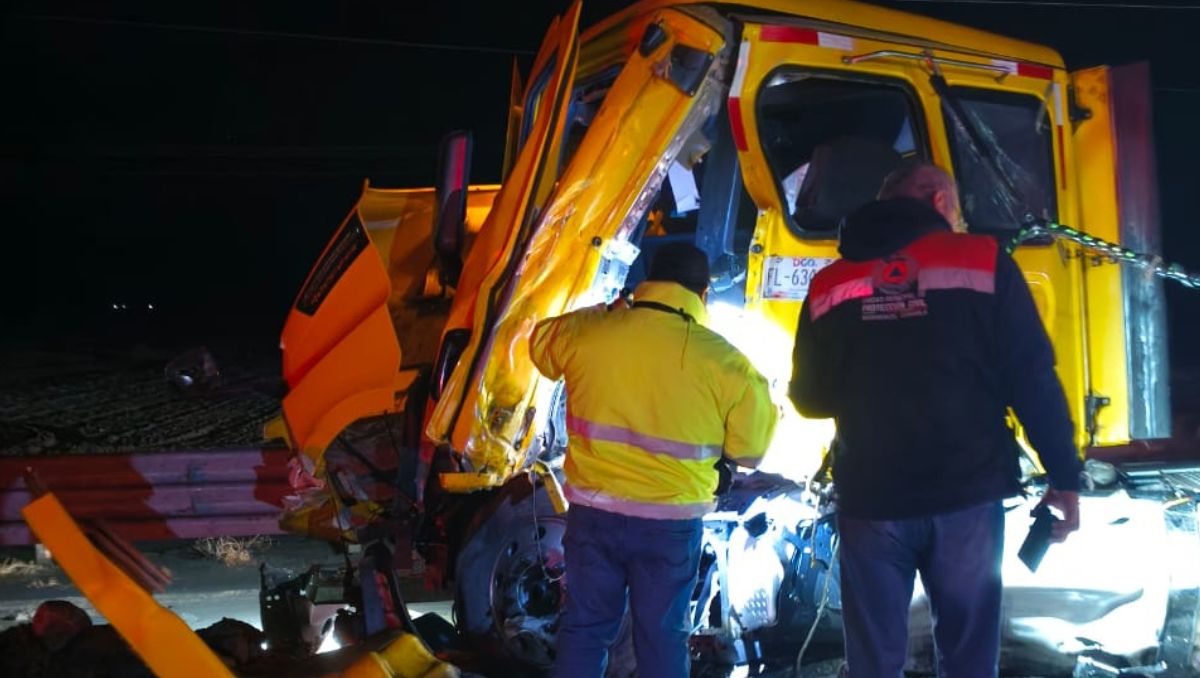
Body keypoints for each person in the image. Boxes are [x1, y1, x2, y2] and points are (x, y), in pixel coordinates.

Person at [789, 163, 1082, 676]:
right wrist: (1063, 477)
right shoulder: (984, 261)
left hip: (872, 500)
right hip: (965, 496)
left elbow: (810, 399)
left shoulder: (829, 283)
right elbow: (1031, 378)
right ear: (938, 198)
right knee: (968, 657)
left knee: (874, 661)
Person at [530, 242, 777, 678]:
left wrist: (607, 311)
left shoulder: (592, 334)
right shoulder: (725, 362)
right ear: (702, 295)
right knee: (662, 640)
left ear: (644, 285)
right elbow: (751, 451)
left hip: (593, 516)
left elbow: (540, 342)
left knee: (585, 631)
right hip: (669, 526)